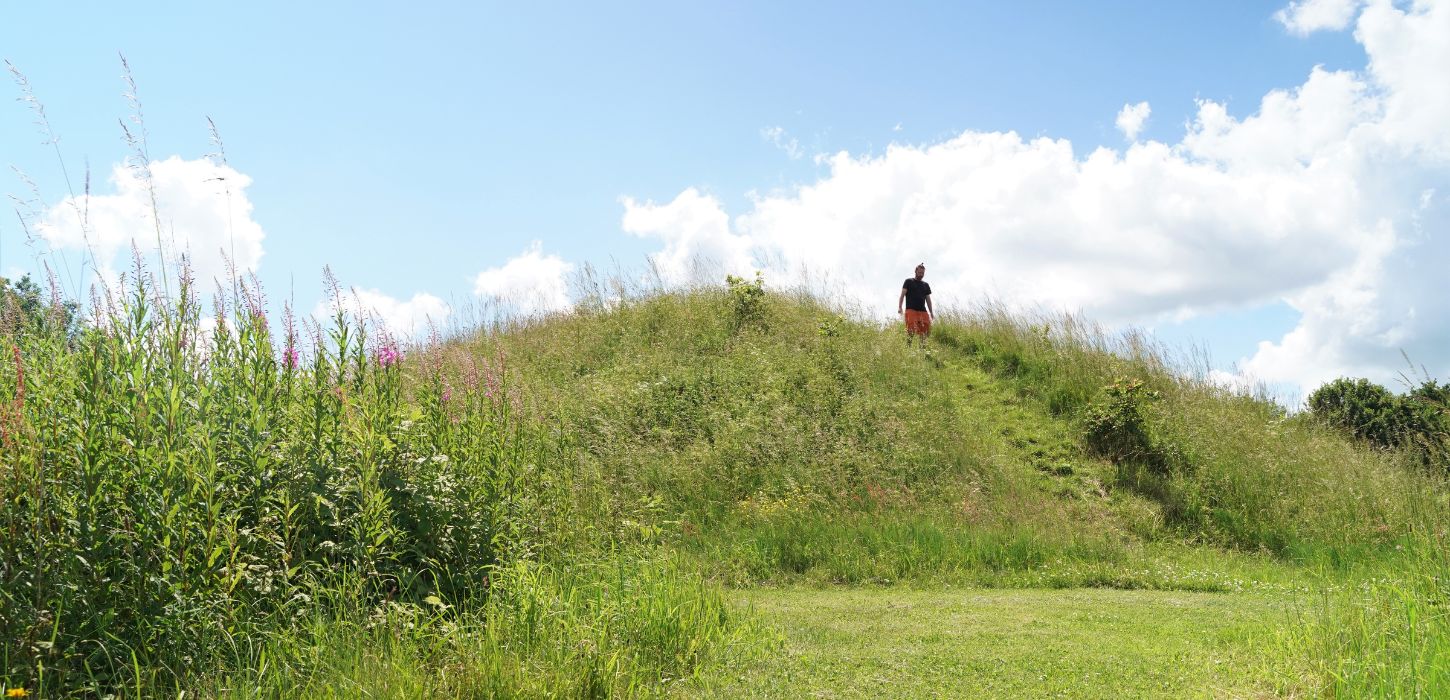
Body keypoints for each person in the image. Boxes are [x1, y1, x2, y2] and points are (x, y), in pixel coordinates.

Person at [897, 263, 933, 348]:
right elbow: (902, 295)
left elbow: (928, 299)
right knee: (911, 330)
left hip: (923, 311)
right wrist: (900, 307)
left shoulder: (926, 285)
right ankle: (908, 347)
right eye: (920, 272)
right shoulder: (908, 281)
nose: (921, 274)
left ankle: (922, 350)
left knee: (925, 331)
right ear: (915, 271)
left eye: (923, 273)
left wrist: (931, 312)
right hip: (911, 310)